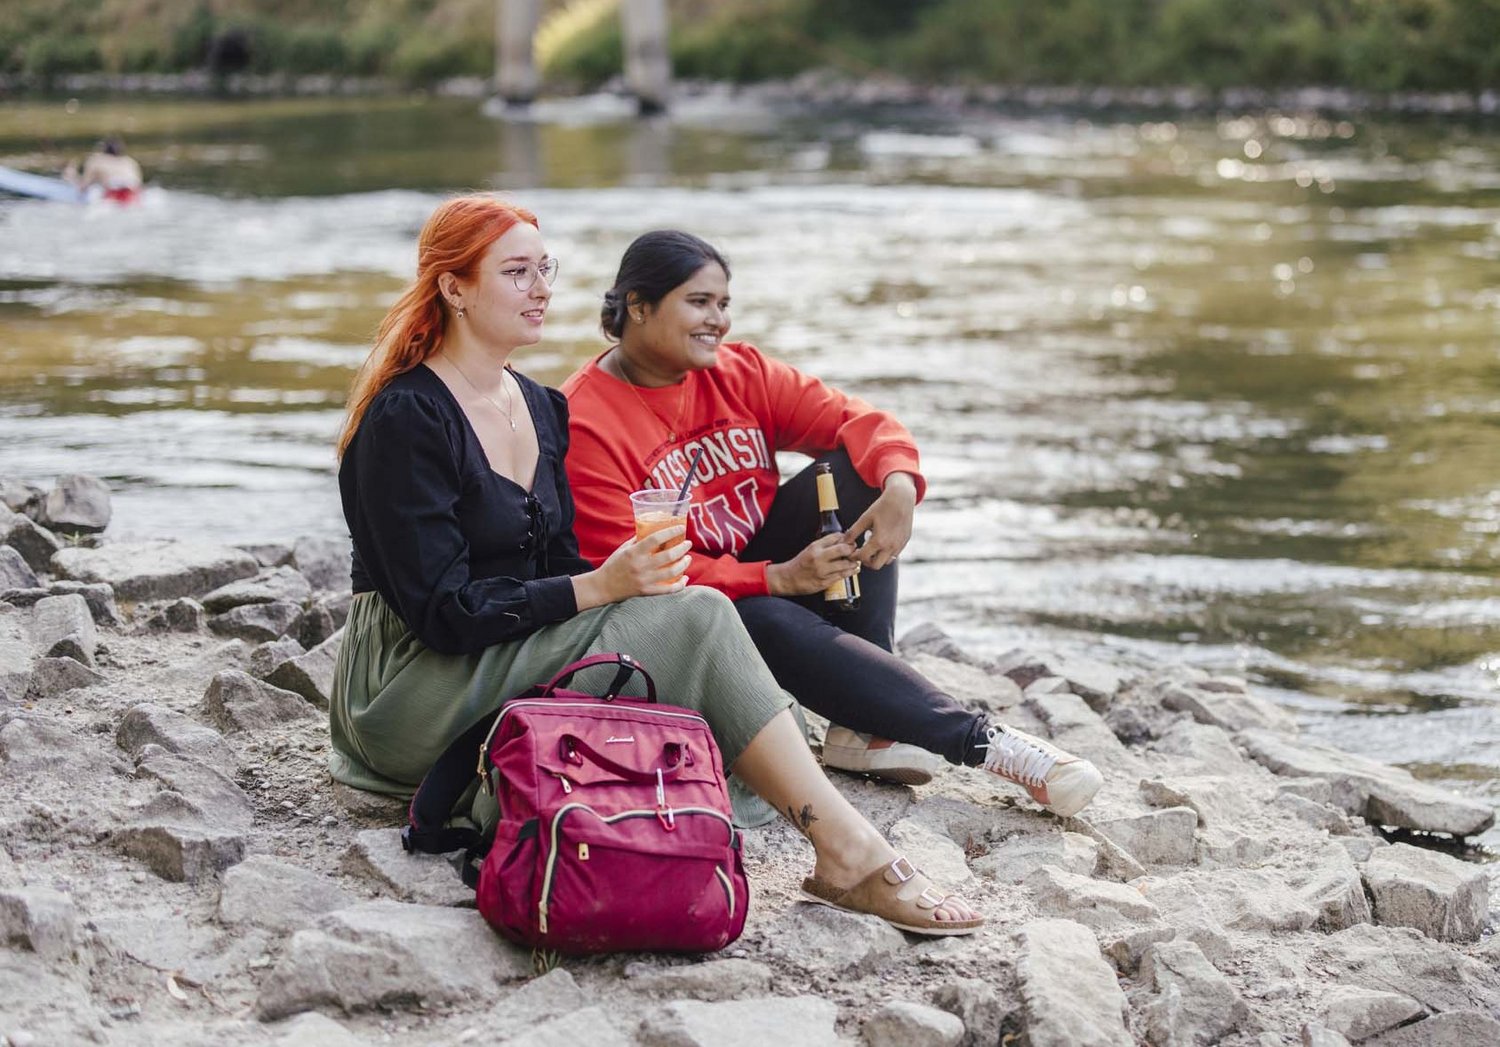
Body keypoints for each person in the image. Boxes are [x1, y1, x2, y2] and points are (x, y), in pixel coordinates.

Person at [329, 194, 983, 937]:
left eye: (545, 269)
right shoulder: (406, 418)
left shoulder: (541, 407)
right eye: (516, 272)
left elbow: (557, 566)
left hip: (500, 650)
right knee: (701, 615)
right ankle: (850, 851)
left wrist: (624, 584)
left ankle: (846, 795)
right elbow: (443, 614)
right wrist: (603, 586)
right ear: (453, 287)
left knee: (688, 620)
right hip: (411, 685)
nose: (542, 288)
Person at [560, 231, 1104, 817]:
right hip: (676, 615)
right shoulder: (583, 421)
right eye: (699, 302)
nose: (717, 319)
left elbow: (858, 420)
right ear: (638, 306)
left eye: (724, 304)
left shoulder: (740, 372)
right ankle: (982, 743)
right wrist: (777, 578)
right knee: (754, 613)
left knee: (857, 473)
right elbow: (635, 571)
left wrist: (899, 485)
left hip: (755, 570)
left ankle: (861, 725)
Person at [62, 137, 143, 203]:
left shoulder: (96, 160)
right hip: (133, 193)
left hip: (113, 194)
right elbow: (139, 184)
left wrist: (71, 175)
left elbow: (83, 187)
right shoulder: (130, 162)